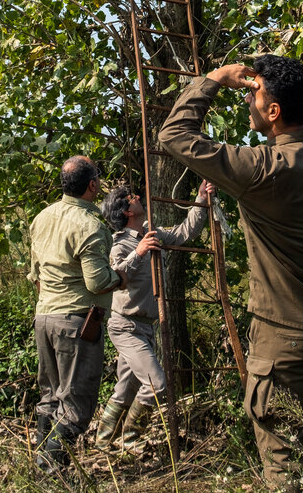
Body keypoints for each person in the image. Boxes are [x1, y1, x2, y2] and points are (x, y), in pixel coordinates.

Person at [158, 55, 303, 486]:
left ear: (273, 111)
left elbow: (174, 136)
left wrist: (216, 79)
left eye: (253, 95)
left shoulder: (259, 168)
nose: (248, 104)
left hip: (281, 342)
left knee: (285, 468)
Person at [94, 179, 215, 451]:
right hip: (125, 326)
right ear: (126, 211)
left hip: (145, 328)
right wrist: (138, 253)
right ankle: (130, 444)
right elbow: (114, 277)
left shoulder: (153, 234)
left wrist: (200, 200)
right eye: (133, 196)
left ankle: (102, 445)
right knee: (157, 384)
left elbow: (185, 233)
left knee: (126, 389)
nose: (139, 197)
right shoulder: (120, 246)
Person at [28, 155, 129, 472]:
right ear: (93, 185)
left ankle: (40, 467)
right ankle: (51, 472)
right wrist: (121, 277)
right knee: (76, 405)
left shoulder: (42, 218)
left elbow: (35, 275)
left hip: (44, 318)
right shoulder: (91, 226)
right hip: (77, 323)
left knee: (50, 397)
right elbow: (97, 282)